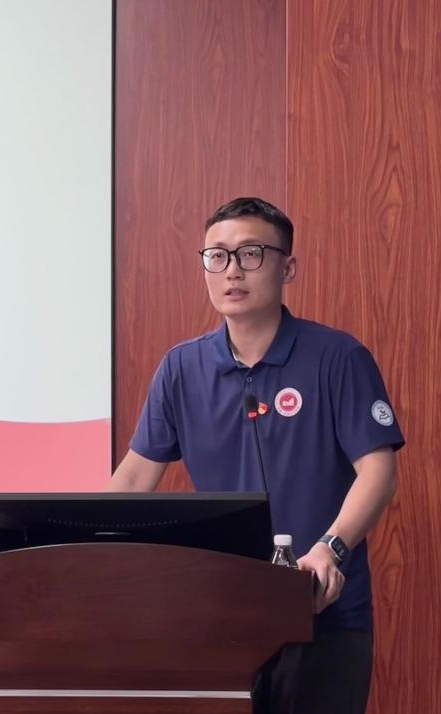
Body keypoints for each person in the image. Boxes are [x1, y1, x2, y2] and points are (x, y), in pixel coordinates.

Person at [106, 197, 405, 714]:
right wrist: (84, 550)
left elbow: (379, 471)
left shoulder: (338, 357)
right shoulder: (182, 369)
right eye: (217, 256)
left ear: (287, 267)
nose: (232, 271)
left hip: (323, 614)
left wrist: (330, 548)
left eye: (251, 253)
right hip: (221, 617)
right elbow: (134, 479)